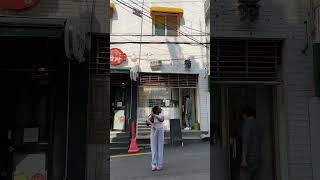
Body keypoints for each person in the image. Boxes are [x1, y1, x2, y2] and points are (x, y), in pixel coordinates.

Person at [240, 106, 262, 180]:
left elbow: (245, 142)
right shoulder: (258, 124)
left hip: (249, 158)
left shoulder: (247, 124)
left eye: (243, 116)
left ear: (245, 115)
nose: (243, 118)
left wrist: (243, 159)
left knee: (244, 177)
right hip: (257, 156)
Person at [146, 105, 165, 171]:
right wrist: (152, 124)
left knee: (160, 147)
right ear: (156, 110)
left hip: (160, 130)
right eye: (159, 109)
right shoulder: (152, 114)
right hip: (153, 130)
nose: (161, 109)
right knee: (153, 147)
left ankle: (159, 164)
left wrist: (155, 115)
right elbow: (147, 120)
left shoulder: (161, 113)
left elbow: (162, 119)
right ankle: (154, 164)